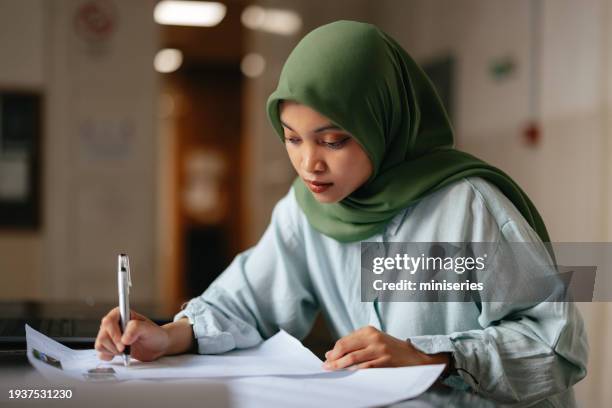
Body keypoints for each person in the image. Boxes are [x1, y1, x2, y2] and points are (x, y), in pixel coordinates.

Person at [95, 21, 587, 406]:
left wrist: (433, 356)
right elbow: (244, 302)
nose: (310, 163)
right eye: (291, 138)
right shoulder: (305, 209)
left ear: (383, 123)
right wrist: (169, 336)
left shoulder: (467, 208)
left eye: (333, 140)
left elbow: (557, 344)